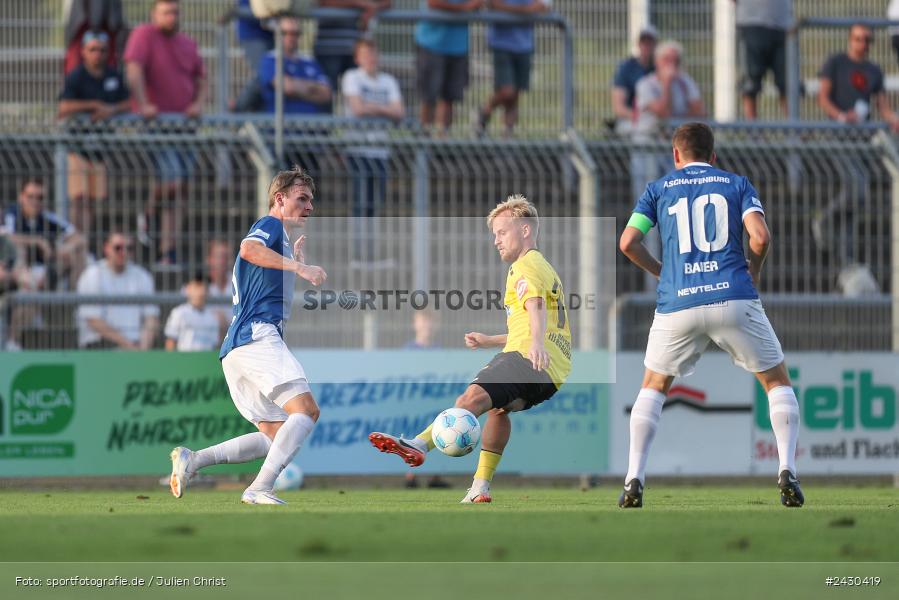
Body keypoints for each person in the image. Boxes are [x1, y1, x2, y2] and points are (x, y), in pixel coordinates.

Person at [617, 122, 803, 509]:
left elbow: (628, 242)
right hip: (733, 296)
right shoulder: (737, 184)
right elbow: (761, 236)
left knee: (652, 386)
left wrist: (660, 272)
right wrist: (755, 270)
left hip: (678, 302)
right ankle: (787, 470)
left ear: (676, 155)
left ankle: (634, 478)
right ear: (713, 156)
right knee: (776, 382)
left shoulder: (657, 189)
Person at [369, 195, 571, 503]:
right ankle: (480, 487)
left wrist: (535, 343)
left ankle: (419, 444)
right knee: (498, 410)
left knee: (470, 398)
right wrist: (490, 340)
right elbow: (531, 321)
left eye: (502, 232)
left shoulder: (525, 265)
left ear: (526, 230)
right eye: (494, 235)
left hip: (530, 357)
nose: (496, 241)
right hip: (554, 373)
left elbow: (536, 305)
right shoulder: (544, 266)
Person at [168, 166, 328, 505]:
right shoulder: (269, 224)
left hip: (237, 346)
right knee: (306, 411)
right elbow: (248, 250)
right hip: (256, 336)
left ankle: (193, 460)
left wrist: (291, 261)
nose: (310, 207)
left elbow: (261, 276)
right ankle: (259, 488)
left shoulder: (280, 239)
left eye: (311, 200)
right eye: (303, 199)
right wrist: (300, 266)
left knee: (276, 436)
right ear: (279, 198)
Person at [124, 0, 206, 265]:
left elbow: (202, 79)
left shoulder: (187, 43)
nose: (172, 17)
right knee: (172, 181)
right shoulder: (144, 35)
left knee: (180, 190)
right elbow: (134, 69)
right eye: (166, 12)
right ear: (154, 14)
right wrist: (143, 103)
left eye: (175, 12)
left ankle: (167, 252)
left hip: (185, 126)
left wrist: (198, 103)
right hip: (158, 125)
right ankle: (148, 214)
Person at [816, 23, 899, 267]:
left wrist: (893, 120)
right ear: (850, 39)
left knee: (858, 199)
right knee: (858, 188)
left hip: (861, 141)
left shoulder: (874, 70)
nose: (862, 43)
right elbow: (823, 97)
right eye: (858, 38)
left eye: (867, 40)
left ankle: (846, 258)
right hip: (838, 138)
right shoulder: (836, 62)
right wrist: (842, 116)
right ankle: (823, 220)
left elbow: (883, 108)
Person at [58, 30, 130, 244]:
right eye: (93, 50)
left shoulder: (113, 76)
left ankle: (85, 241)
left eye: (101, 50)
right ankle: (76, 241)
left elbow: (128, 102)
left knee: (90, 200)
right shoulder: (76, 76)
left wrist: (111, 109)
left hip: (100, 151)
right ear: (83, 52)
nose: (97, 54)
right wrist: (95, 105)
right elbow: (63, 107)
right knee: (78, 199)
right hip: (77, 148)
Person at [342, 38, 404, 264]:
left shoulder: (388, 81)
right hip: (358, 151)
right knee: (361, 204)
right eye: (365, 54)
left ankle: (371, 254)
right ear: (358, 57)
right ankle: (359, 254)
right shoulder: (352, 77)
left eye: (373, 53)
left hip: (380, 152)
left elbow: (399, 112)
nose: (371, 58)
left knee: (374, 205)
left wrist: (374, 110)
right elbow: (357, 109)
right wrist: (384, 110)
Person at [474, 0, 547, 137]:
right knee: (507, 91)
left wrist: (511, 10)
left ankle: (507, 137)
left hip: (524, 45)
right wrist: (524, 11)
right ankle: (485, 112)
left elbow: (542, 6)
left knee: (515, 95)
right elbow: (491, 4)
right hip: (501, 44)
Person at [76, 231, 159, 350]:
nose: (123, 252)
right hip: (99, 347)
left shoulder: (142, 275)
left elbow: (151, 318)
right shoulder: (92, 274)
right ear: (106, 248)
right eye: (118, 248)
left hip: (135, 347)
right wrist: (127, 345)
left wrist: (142, 351)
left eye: (129, 248)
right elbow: (93, 319)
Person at [3, 178, 87, 291]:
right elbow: (6, 237)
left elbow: (78, 238)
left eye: (40, 198)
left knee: (77, 254)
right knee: (19, 250)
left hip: (46, 269)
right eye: (30, 196)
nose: (35, 201)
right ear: (21, 197)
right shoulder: (11, 214)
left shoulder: (46, 217)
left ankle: (77, 301)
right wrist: (37, 241)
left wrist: (59, 250)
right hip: (14, 271)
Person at [416, 0, 484, 133]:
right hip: (432, 44)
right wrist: (464, 7)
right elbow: (433, 3)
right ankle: (422, 140)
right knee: (429, 97)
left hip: (458, 47)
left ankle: (443, 141)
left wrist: (472, 6)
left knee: (449, 98)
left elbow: (477, 4)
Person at [259, 16, 332, 115]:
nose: (291, 38)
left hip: (311, 127)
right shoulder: (270, 59)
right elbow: (287, 87)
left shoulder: (310, 60)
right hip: (282, 127)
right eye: (285, 33)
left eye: (295, 34)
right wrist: (312, 88)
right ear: (277, 35)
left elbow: (326, 94)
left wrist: (296, 87)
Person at [314, 1, 391, 92]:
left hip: (356, 51)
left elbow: (388, 3)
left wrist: (373, 7)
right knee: (325, 92)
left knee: (357, 92)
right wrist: (361, 4)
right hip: (329, 49)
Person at [735, 0, 791, 119]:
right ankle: (754, 133)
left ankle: (795, 129)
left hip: (782, 26)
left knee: (787, 83)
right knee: (750, 83)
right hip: (751, 24)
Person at [611, 25, 658, 132]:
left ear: (655, 45)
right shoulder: (626, 68)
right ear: (638, 44)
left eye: (650, 42)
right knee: (643, 129)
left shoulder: (660, 68)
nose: (646, 46)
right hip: (631, 120)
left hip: (657, 120)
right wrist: (639, 117)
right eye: (643, 42)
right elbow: (618, 108)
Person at [165, 273, 221, 351]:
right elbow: (171, 342)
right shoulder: (179, 313)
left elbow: (215, 345)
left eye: (205, 286)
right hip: (183, 361)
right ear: (188, 289)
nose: (202, 291)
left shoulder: (213, 316)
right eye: (197, 286)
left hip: (206, 361)